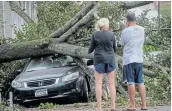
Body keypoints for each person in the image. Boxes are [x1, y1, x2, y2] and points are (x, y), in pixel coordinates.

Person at [119, 11, 147, 111]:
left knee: (131, 82)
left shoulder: (125, 31)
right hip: (139, 58)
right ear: (135, 19)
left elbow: (121, 43)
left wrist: (126, 27)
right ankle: (144, 105)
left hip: (129, 59)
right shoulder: (142, 29)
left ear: (127, 20)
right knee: (140, 82)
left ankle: (132, 105)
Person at [88, 18, 116, 111]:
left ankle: (99, 107)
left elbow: (91, 49)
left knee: (98, 84)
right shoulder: (111, 34)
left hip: (99, 60)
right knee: (111, 83)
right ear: (106, 25)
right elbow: (114, 48)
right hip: (110, 59)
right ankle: (113, 106)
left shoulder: (95, 35)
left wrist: (90, 50)